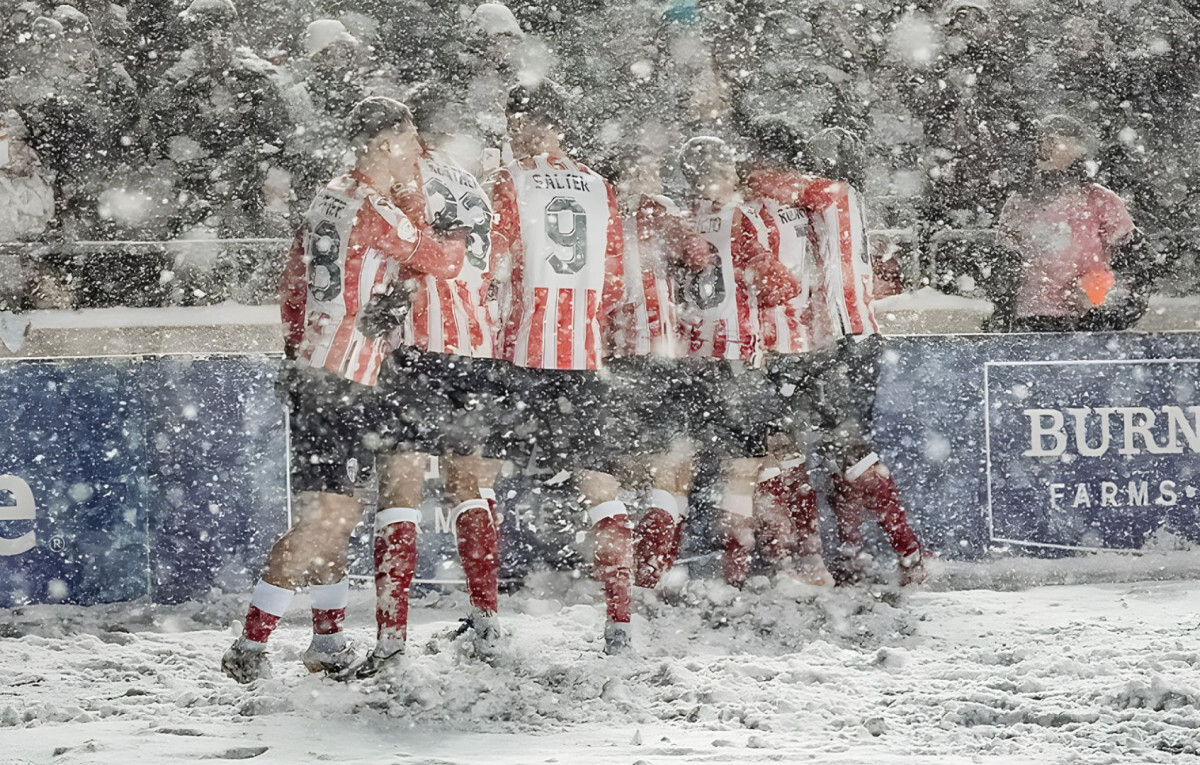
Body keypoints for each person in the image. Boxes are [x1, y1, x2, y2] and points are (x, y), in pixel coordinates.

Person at [221, 97, 465, 683]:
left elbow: (293, 284)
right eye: (409, 140)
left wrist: (304, 346)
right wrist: (447, 233)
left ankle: (327, 640)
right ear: (385, 145)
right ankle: (249, 647)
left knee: (334, 513)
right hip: (347, 379)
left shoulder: (328, 194)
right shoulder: (380, 210)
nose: (417, 153)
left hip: (314, 369)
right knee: (327, 520)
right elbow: (445, 260)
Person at [357, 96, 508, 678]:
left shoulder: (403, 179)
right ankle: (486, 619)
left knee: (400, 490)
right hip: (478, 342)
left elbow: (413, 264)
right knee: (468, 486)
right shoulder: (470, 181)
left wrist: (377, 317)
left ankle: (391, 640)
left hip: (417, 342)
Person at [485, 84, 632, 654]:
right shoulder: (601, 187)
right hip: (583, 355)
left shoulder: (508, 182)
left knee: (479, 481)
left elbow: (490, 265)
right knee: (602, 488)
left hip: (518, 353)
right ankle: (619, 623)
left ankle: (485, 618)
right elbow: (615, 283)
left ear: (518, 126)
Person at [747, 125, 928, 587]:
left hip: (839, 336)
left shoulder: (828, 193)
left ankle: (845, 557)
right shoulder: (834, 199)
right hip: (850, 334)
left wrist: (746, 181)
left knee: (820, 449)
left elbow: (777, 185)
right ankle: (859, 554)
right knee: (843, 452)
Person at [673, 136, 800, 589]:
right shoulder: (741, 218)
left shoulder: (681, 219)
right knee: (743, 474)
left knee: (683, 470)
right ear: (725, 175)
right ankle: (737, 575)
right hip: (736, 359)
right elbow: (779, 287)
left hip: (690, 357)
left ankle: (674, 567)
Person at [604, 147, 713, 592]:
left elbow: (699, 262)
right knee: (651, 469)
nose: (649, 179)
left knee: (670, 468)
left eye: (653, 170)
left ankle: (654, 571)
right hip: (634, 358)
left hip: (654, 355)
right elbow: (700, 258)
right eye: (641, 171)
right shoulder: (620, 215)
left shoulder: (640, 213)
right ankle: (647, 575)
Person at [996, 116, 1140, 333]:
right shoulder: (1019, 204)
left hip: (1088, 319)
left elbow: (1134, 262)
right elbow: (1004, 266)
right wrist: (1004, 309)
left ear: (1079, 150)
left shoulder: (1100, 201)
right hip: (1031, 316)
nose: (1048, 150)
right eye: (1045, 142)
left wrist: (1103, 300)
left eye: (1059, 143)